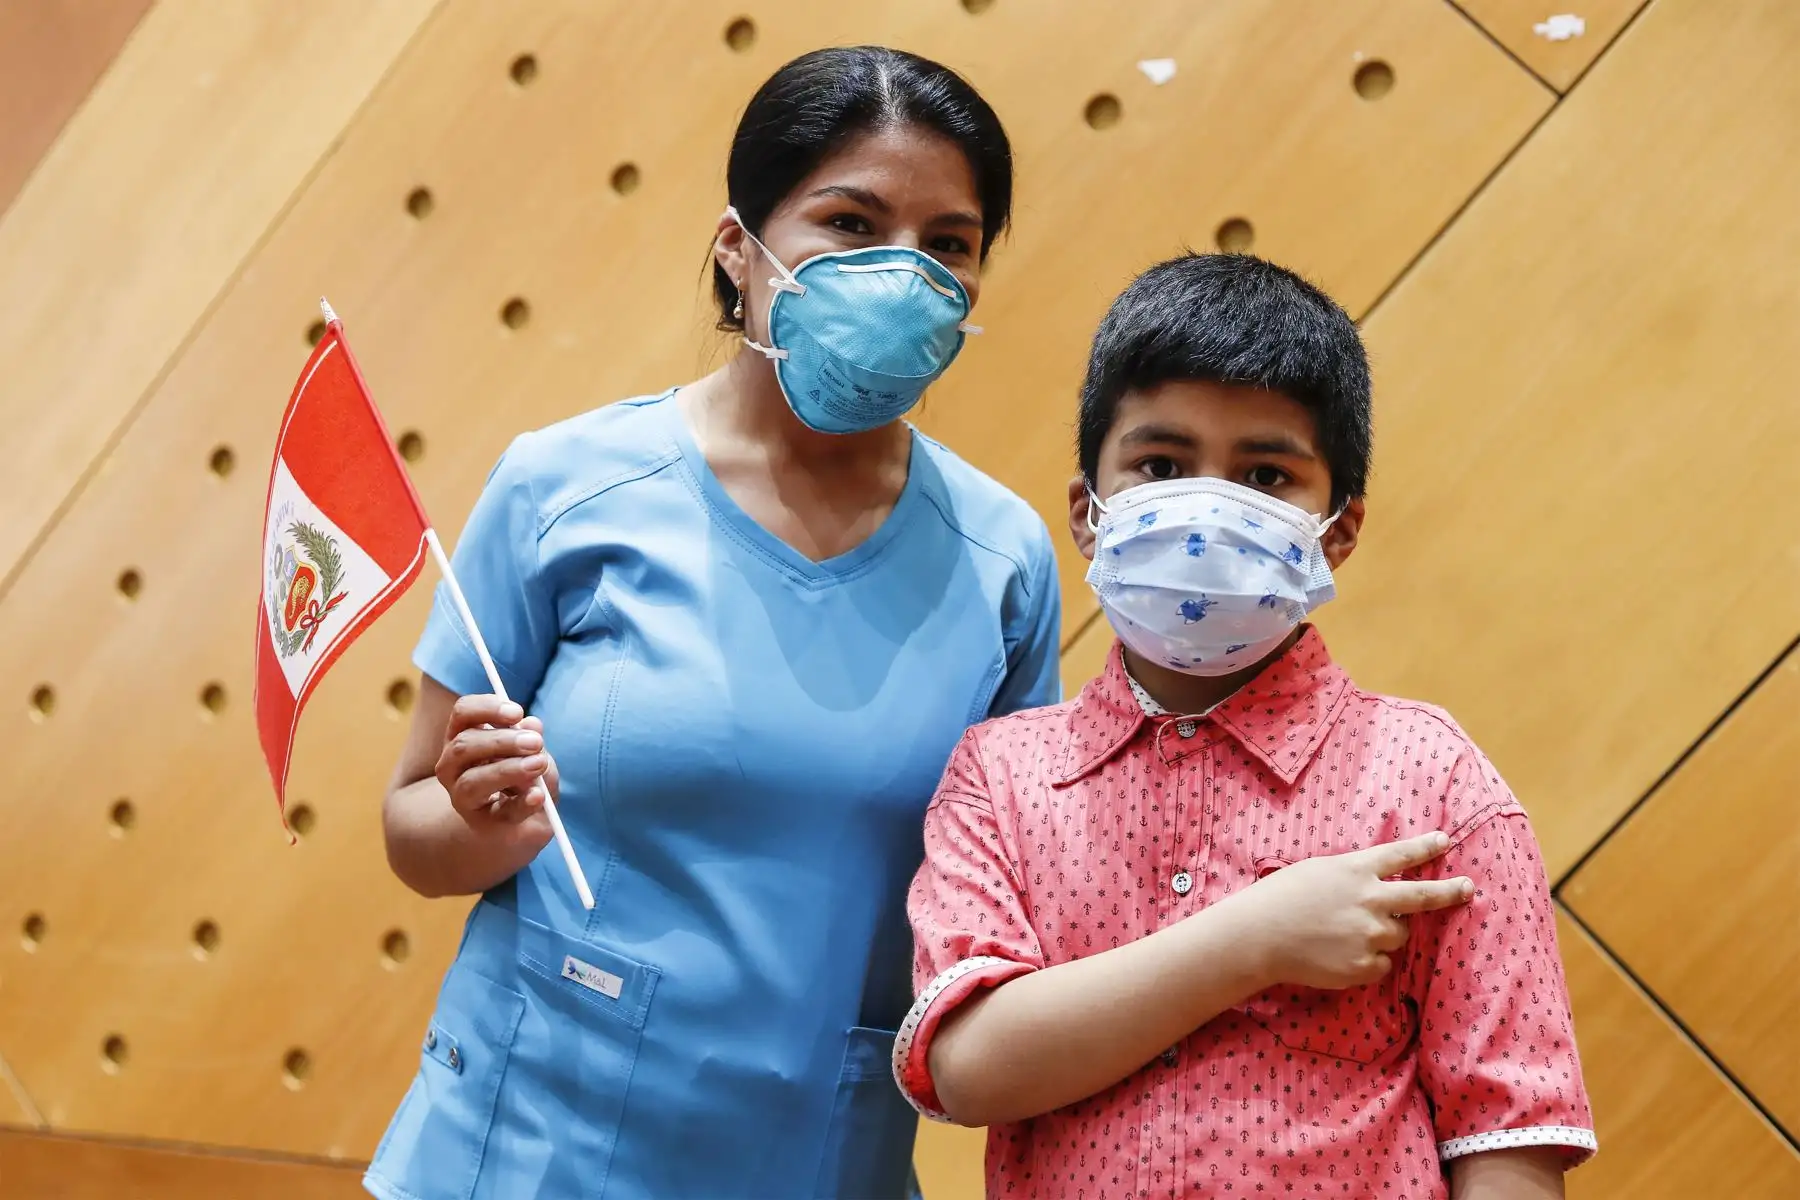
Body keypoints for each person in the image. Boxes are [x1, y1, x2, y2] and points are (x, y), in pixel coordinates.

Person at [364, 47, 1062, 1200]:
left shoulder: (1004, 561)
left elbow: (1006, 913)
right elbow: (411, 831)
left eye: (949, 243)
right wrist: (486, 824)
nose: (903, 273)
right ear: (740, 248)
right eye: (850, 222)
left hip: (817, 1158)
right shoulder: (561, 488)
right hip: (525, 1151)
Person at [894, 254, 1595, 1198]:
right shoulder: (1001, 775)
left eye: (1265, 474)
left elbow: (1508, 1138)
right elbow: (966, 1068)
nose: (1206, 509)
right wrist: (1256, 938)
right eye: (1160, 464)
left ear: (1337, 529)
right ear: (1087, 513)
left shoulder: (1434, 783)